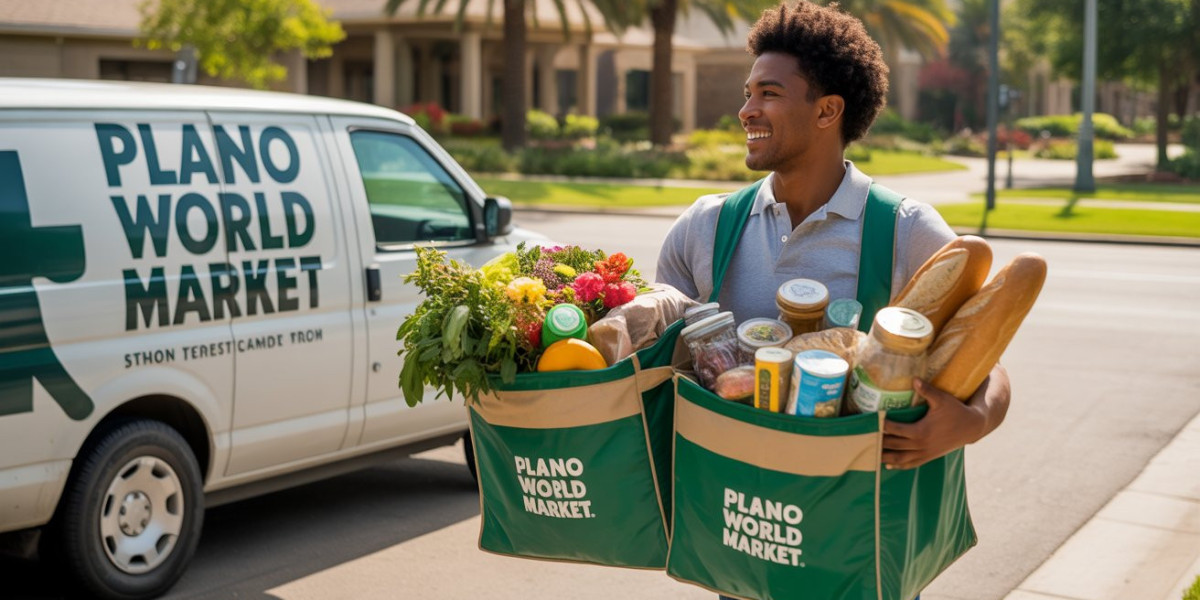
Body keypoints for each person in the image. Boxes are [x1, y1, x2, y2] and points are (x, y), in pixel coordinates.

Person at [656, 0, 1010, 470]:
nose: (746, 111)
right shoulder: (705, 225)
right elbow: (657, 356)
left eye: (769, 94)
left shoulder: (905, 230)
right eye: (748, 93)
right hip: (725, 499)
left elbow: (987, 358)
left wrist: (973, 421)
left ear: (827, 111)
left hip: (846, 514)